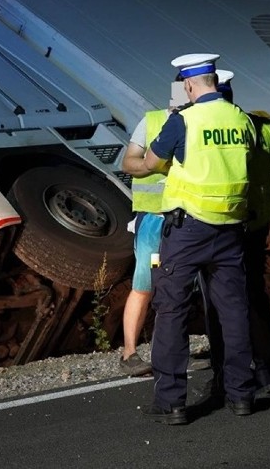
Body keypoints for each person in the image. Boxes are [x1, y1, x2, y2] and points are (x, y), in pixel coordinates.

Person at [141, 53, 258, 425]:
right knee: (234, 311)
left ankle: (173, 402)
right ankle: (241, 395)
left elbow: (151, 164)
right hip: (231, 229)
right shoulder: (243, 120)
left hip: (187, 229)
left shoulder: (184, 120)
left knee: (172, 310)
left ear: (189, 85)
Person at [202, 70, 270, 404]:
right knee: (254, 295)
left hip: (227, 223)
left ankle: (227, 374)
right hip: (258, 221)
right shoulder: (261, 125)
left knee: (220, 302)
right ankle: (265, 370)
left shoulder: (220, 128)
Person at [118, 81, 187, 376]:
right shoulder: (152, 121)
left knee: (178, 288)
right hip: (154, 219)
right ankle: (129, 354)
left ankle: (171, 354)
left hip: (184, 217)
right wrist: (156, 164)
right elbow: (128, 162)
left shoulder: (197, 120)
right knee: (144, 286)